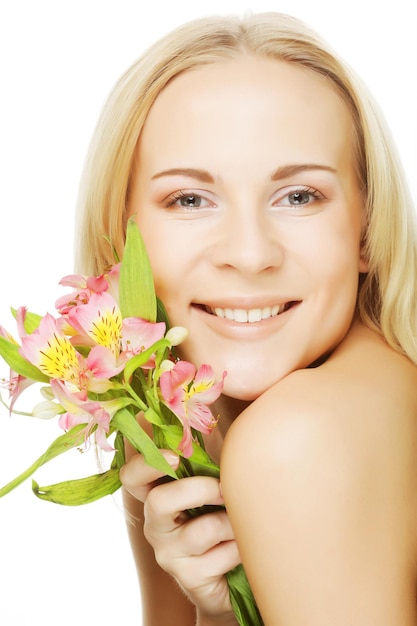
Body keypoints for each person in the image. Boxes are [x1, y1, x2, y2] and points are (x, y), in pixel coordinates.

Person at [74, 12, 417, 625]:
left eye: (299, 196)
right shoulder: (166, 423)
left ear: (366, 229)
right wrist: (223, 612)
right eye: (190, 199)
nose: (251, 254)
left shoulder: (298, 437)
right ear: (118, 241)